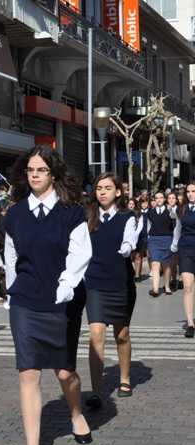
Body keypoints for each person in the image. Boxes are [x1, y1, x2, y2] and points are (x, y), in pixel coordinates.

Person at [4, 146, 93, 445]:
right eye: (30, 170)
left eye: (41, 169)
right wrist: (11, 291)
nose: (35, 175)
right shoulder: (15, 214)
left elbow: (81, 253)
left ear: (53, 174)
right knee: (28, 371)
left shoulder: (71, 212)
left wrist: (66, 284)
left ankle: (76, 413)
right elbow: (11, 256)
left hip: (62, 299)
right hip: (25, 299)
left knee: (64, 372)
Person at [83, 173, 141, 409]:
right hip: (94, 282)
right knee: (96, 334)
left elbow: (130, 238)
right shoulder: (88, 216)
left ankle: (125, 378)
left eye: (108, 188)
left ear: (118, 192)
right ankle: (96, 391)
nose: (102, 192)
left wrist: (127, 246)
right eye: (99, 188)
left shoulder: (128, 217)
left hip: (120, 282)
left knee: (122, 334)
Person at [147, 191, 180, 297]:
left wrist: (175, 241)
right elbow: (148, 226)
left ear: (164, 199)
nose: (159, 200)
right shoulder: (150, 212)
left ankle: (167, 286)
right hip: (154, 240)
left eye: (161, 197)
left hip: (167, 239)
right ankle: (155, 289)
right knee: (155, 264)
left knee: (166, 265)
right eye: (156, 198)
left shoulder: (170, 211)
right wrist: (148, 238)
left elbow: (177, 225)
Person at [179, 183, 195, 338]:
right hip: (185, 250)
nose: (190, 194)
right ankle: (190, 323)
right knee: (188, 286)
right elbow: (177, 228)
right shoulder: (182, 209)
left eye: (193, 191)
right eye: (188, 191)